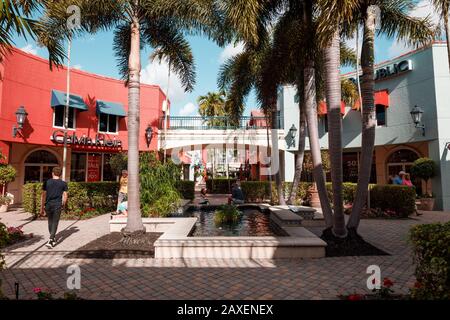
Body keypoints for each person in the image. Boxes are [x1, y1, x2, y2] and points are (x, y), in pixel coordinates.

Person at [40, 167, 68, 249]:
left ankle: (52, 238)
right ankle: (51, 239)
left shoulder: (47, 182)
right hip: (57, 205)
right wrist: (64, 204)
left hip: (48, 204)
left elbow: (43, 195)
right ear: (60, 174)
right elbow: (65, 195)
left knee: (50, 221)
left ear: (52, 173)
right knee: (55, 222)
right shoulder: (63, 183)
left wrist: (41, 207)